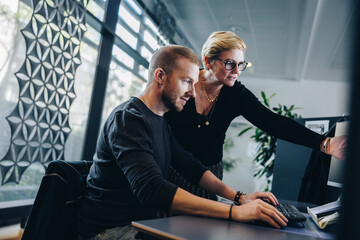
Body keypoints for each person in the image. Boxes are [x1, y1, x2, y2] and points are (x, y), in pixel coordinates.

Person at [77, 45, 288, 240]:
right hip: (108, 231)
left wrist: (239, 198)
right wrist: (234, 212)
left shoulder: (159, 120)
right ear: (160, 76)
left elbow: (191, 167)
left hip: (142, 224)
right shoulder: (128, 119)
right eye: (187, 81)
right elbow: (152, 189)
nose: (193, 92)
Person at [165, 31, 347, 200]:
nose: (236, 71)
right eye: (229, 63)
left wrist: (325, 143)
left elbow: (273, 122)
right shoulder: (184, 84)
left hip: (209, 178)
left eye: (240, 64)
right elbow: (159, 132)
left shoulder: (235, 94)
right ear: (208, 61)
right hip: (171, 172)